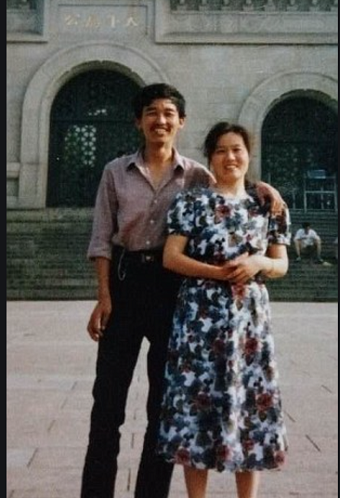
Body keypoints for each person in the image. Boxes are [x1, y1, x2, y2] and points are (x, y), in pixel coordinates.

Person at [80, 84, 284, 498]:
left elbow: (232, 183)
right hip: (125, 279)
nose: (161, 120)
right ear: (138, 121)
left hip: (173, 291)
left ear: (181, 121)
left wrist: (268, 190)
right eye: (151, 113)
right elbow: (101, 239)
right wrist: (104, 297)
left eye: (169, 113)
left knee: (165, 403)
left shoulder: (195, 174)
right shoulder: (115, 172)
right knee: (107, 403)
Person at [157, 121, 290, 498]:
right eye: (221, 150)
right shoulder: (191, 201)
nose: (230, 157)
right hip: (199, 324)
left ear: (249, 155)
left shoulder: (269, 206)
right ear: (210, 159)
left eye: (237, 149)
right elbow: (171, 257)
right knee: (195, 411)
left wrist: (258, 263)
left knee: (250, 412)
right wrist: (217, 272)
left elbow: (281, 265)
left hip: (249, 327)